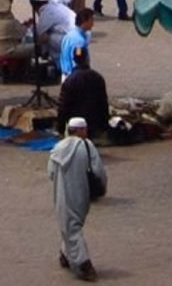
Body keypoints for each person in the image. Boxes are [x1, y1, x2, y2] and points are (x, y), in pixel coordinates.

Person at [47, 115, 108, 280]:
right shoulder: (87, 146)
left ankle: (67, 255)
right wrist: (101, 187)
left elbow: (51, 172)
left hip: (62, 194)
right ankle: (83, 264)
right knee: (74, 226)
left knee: (69, 225)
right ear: (81, 130)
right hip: (82, 194)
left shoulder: (58, 148)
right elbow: (98, 171)